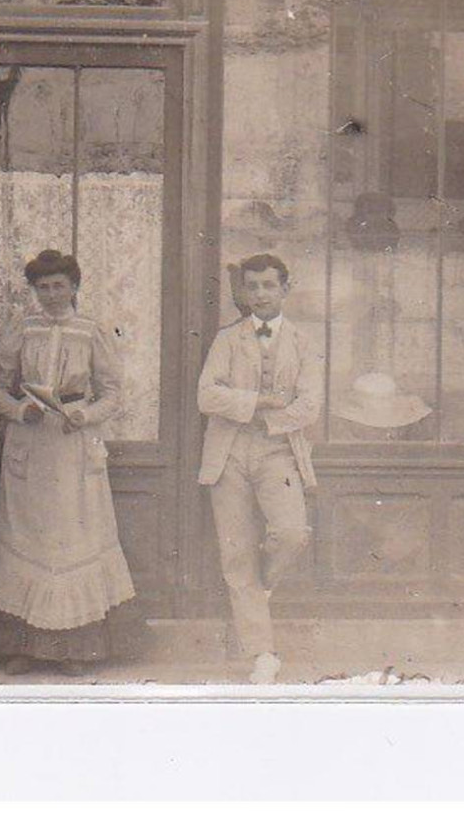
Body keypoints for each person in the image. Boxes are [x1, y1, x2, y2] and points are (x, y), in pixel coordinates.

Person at [0, 249, 135, 676]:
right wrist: (18, 411)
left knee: (72, 540)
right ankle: (24, 647)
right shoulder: (22, 329)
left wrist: (84, 415)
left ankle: (76, 650)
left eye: (59, 286)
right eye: (43, 287)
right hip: (30, 445)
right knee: (28, 539)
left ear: (74, 288)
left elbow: (112, 391)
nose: (51, 295)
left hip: (73, 446)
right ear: (33, 290)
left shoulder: (90, 331)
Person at [197, 253, 322, 684]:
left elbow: (308, 406)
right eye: (253, 287)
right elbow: (206, 396)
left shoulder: (303, 342)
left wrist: (268, 419)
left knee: (290, 534)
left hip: (278, 450)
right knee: (236, 552)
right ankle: (262, 652)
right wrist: (257, 402)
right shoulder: (227, 340)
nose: (261, 294)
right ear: (244, 292)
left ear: (285, 289)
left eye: (270, 285)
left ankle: (261, 590)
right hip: (228, 453)